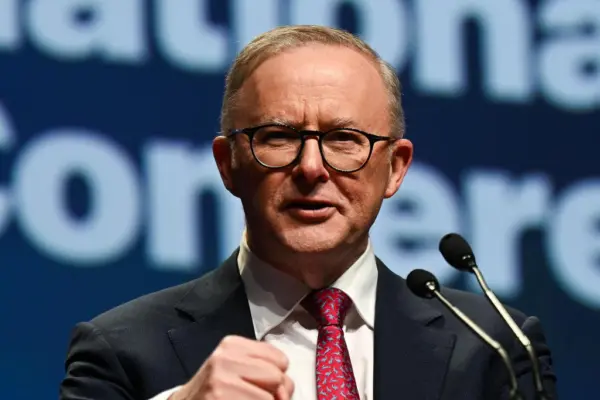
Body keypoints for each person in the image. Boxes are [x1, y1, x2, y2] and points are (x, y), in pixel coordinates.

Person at [59, 25, 557, 400]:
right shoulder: (122, 350)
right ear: (227, 164)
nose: (312, 168)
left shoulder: (494, 347)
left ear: (395, 168)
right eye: (278, 137)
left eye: (344, 139)